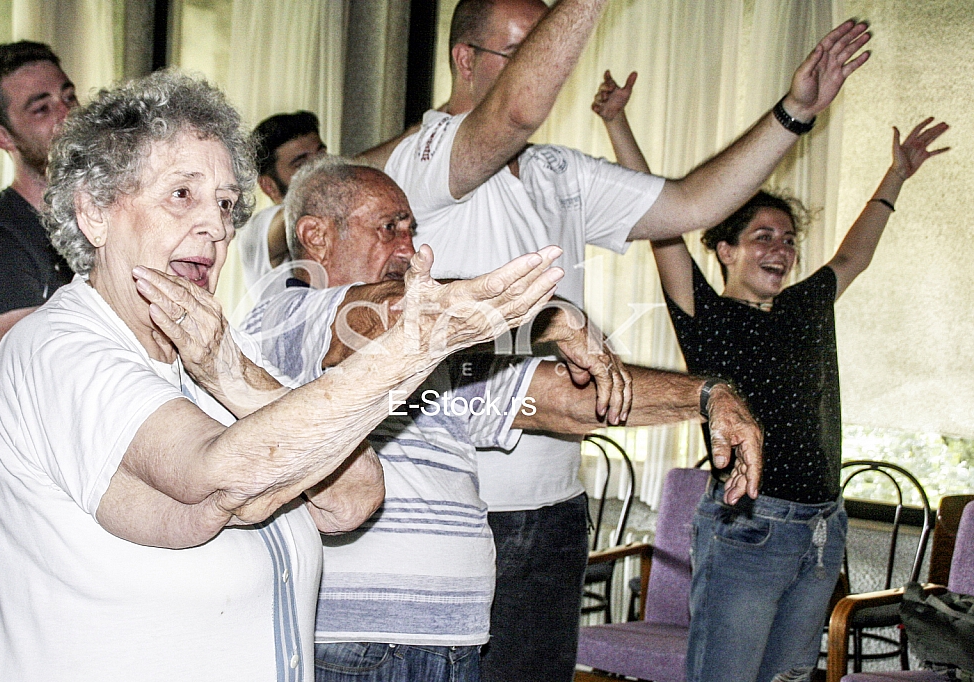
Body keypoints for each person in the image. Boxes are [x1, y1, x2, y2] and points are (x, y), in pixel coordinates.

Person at [0, 71, 563, 681]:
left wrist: (228, 371)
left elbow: (352, 496)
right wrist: (414, 347)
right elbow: (212, 475)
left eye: (226, 204)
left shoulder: (203, 354)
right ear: (94, 212)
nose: (215, 227)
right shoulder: (57, 347)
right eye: (183, 194)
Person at [357, 0, 871, 677]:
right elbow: (512, 112)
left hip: (556, 512)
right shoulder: (423, 158)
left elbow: (691, 203)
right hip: (461, 517)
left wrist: (794, 112)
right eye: (528, 49)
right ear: (466, 59)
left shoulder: (554, 173)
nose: (550, 67)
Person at [239, 155, 760, 682]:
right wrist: (549, 316)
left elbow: (565, 396)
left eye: (412, 229)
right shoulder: (284, 315)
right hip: (360, 646)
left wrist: (707, 394)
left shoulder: (432, 354)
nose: (409, 247)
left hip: (453, 640)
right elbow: (391, 312)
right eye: (389, 227)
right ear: (316, 236)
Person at [592, 69, 950, 681]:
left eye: (787, 239)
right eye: (762, 236)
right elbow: (662, 220)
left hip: (821, 531)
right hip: (747, 531)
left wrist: (896, 175)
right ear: (724, 248)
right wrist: (617, 123)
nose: (780, 249)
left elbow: (852, 254)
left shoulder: (806, 306)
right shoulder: (706, 314)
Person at [0, 40, 77, 682]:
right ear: (2, 135)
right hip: (10, 504)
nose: (65, 114)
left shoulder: (97, 225)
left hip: (80, 499)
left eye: (67, 96)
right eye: (40, 108)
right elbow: (53, 371)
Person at [240, 111, 327, 297]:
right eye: (301, 164)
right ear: (269, 186)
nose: (322, 168)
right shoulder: (258, 229)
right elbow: (296, 215)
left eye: (321, 155)